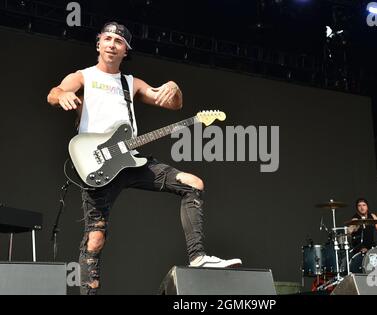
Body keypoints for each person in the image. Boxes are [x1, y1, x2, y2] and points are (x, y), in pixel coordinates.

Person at [47, 22, 242, 295]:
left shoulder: (131, 83)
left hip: (130, 160)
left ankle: (198, 257)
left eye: (119, 41)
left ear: (126, 50)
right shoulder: (83, 76)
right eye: (108, 38)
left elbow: (173, 104)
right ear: (98, 43)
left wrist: (174, 88)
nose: (112, 44)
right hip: (97, 165)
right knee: (95, 238)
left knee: (193, 183)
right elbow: (54, 92)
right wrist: (64, 94)